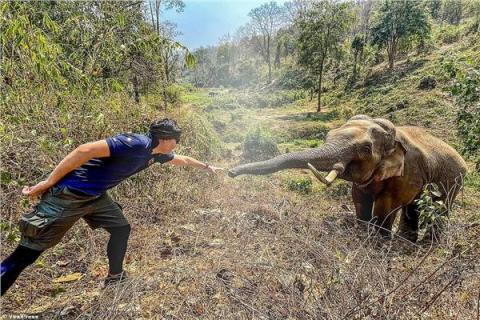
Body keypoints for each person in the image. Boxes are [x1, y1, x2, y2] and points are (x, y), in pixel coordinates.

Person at [1, 118, 223, 295]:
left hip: (96, 197)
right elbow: (84, 150)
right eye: (177, 140)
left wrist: (207, 166)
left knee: (121, 228)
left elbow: (182, 160)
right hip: (68, 196)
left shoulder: (155, 155)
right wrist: (49, 182)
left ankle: (115, 276)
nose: (177, 145)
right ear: (167, 139)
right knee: (27, 254)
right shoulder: (136, 144)